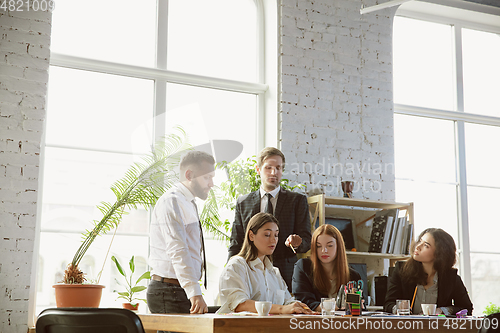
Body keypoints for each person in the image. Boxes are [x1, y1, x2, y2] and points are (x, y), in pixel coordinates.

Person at [227, 147, 311, 290]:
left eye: (278, 168)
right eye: (268, 168)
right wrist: (231, 272)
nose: (274, 173)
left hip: (286, 276)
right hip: (251, 275)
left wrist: (297, 242)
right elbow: (236, 242)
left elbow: (307, 240)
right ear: (258, 169)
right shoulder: (243, 202)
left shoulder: (297, 201)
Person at [147, 150, 215, 320]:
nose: (211, 183)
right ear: (189, 175)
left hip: (178, 289)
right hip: (169, 291)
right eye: (207, 177)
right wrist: (194, 293)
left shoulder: (188, 202)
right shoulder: (172, 201)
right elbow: (178, 249)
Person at [218, 212, 315, 314]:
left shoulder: (274, 272)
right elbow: (240, 304)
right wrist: (282, 309)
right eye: (267, 235)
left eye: (276, 235)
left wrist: (300, 307)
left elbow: (288, 302)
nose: (273, 240)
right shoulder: (236, 266)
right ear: (251, 235)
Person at [384, 228, 473, 315]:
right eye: (420, 241)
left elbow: (466, 308)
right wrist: (398, 308)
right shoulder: (401, 269)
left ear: (439, 253)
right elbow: (388, 304)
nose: (418, 247)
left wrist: (442, 310)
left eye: (426, 245)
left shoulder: (451, 278)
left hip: (435, 328)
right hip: (404, 327)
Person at [292, 224, 362, 311]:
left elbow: (359, 307)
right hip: (313, 323)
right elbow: (304, 303)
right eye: (318, 246)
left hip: (344, 323)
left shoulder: (353, 276)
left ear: (338, 247)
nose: (323, 250)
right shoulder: (303, 267)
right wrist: (337, 306)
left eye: (329, 246)